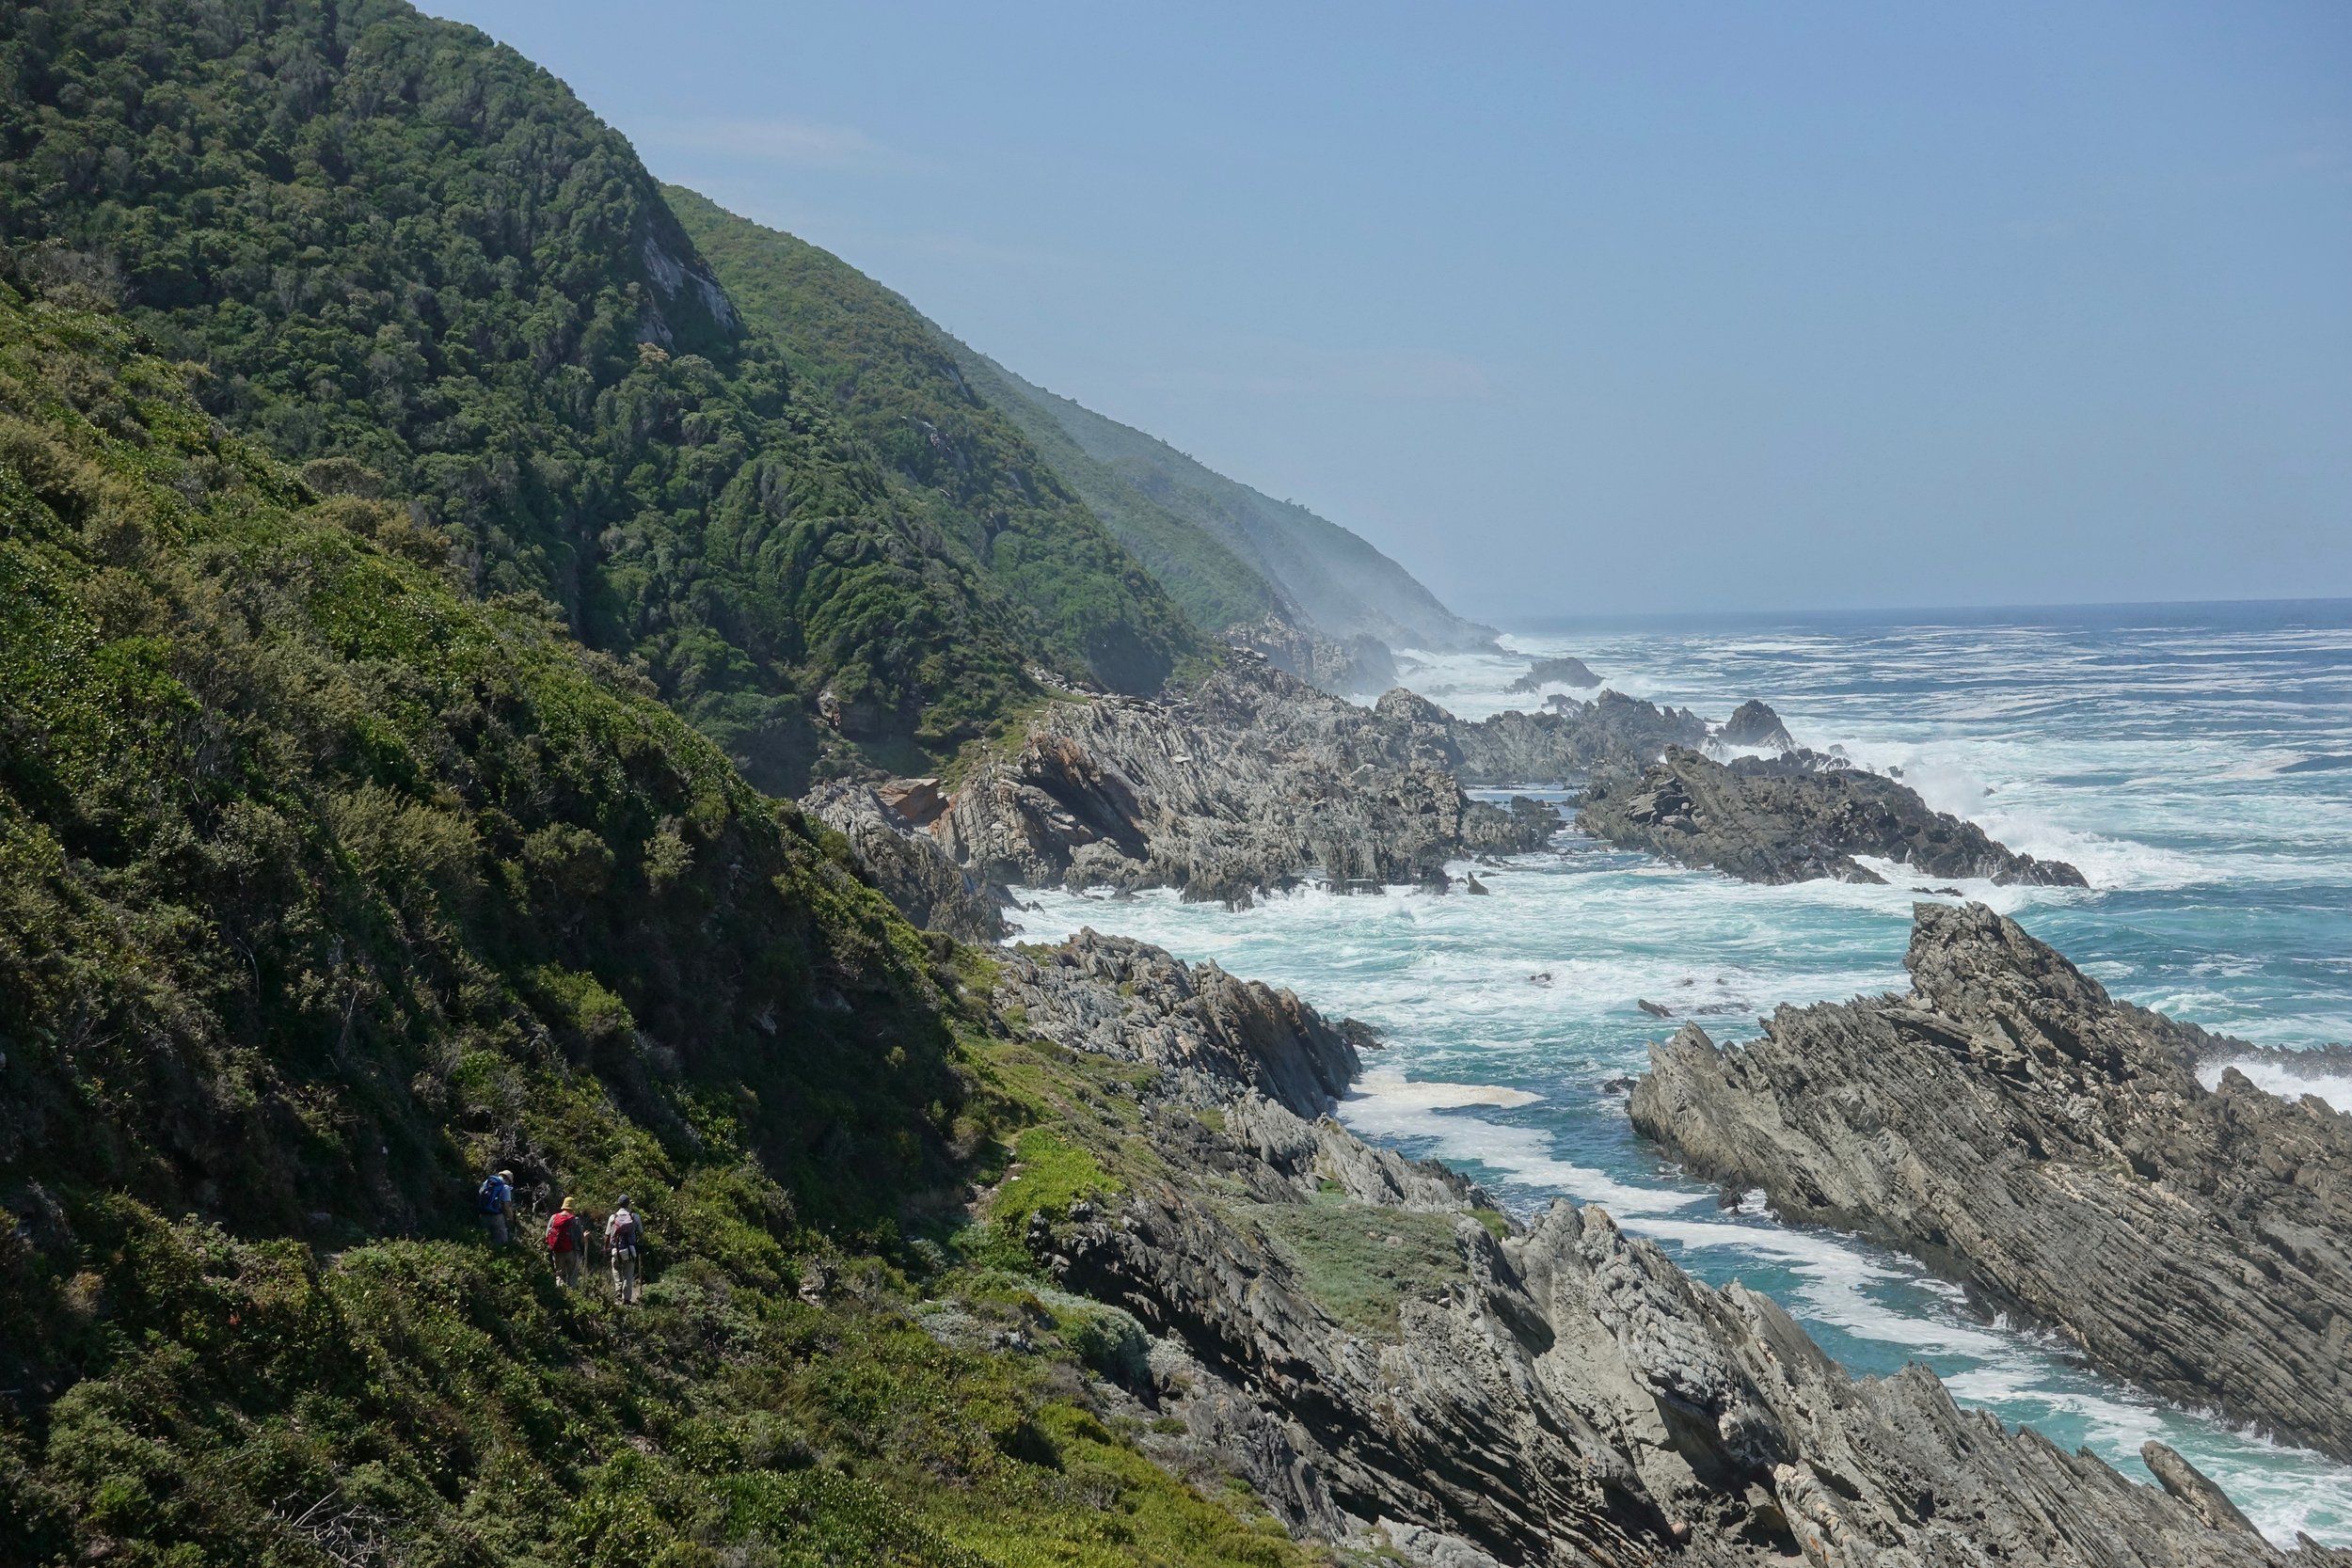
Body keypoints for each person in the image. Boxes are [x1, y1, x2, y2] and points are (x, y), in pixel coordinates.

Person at [605, 1195, 643, 1304]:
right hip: (630, 1250)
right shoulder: (635, 1217)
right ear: (628, 1204)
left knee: (616, 1269)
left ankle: (618, 1290)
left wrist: (606, 1248)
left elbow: (607, 1235)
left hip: (616, 1249)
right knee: (628, 1274)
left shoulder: (613, 1217)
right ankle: (626, 1299)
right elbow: (641, 1233)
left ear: (618, 1204)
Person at [545, 1197, 586, 1288]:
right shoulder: (575, 1220)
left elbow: (547, 1235)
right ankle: (573, 1297)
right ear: (572, 1208)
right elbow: (581, 1240)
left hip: (557, 1251)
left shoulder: (554, 1217)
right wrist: (585, 1237)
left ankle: (561, 1296)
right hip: (572, 1252)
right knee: (572, 1277)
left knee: (559, 1275)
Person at [477, 1168, 515, 1245]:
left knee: (485, 1239)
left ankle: (485, 1254)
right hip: (497, 1216)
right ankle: (500, 1254)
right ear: (508, 1180)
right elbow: (506, 1206)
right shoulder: (505, 1187)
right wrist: (511, 1218)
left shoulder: (487, 1182)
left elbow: (480, 1194)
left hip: (483, 1213)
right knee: (502, 1241)